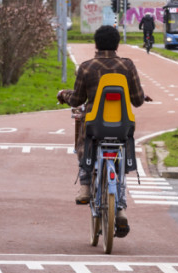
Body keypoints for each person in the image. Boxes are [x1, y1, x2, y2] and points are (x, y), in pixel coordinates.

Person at [56, 25, 152, 236]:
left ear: (96, 44)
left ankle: (85, 186)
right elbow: (137, 100)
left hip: (95, 125)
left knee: (84, 141)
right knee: (122, 147)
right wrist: (141, 94)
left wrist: (64, 95)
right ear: (117, 44)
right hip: (122, 126)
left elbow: (78, 99)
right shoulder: (127, 66)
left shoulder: (86, 67)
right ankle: (121, 209)